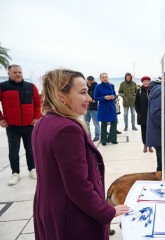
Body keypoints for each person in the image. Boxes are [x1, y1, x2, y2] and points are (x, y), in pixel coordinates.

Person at [32, 69, 129, 240]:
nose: (89, 98)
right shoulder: (67, 129)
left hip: (49, 210)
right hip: (72, 217)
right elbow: (78, 186)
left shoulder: (43, 122)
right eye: (83, 93)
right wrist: (107, 211)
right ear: (61, 95)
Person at [0, 64, 41, 186]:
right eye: (15, 72)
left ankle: (32, 169)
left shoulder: (30, 87)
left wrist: (36, 117)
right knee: (14, 150)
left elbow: (38, 103)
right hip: (12, 125)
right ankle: (15, 173)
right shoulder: (3, 87)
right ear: (9, 74)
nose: (18, 74)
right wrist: (1, 119)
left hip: (29, 124)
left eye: (20, 72)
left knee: (30, 148)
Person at [94, 73, 118, 146]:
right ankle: (103, 140)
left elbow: (115, 95)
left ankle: (112, 139)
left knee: (114, 122)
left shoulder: (112, 85)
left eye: (106, 77)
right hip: (103, 107)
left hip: (111, 106)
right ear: (100, 78)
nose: (105, 78)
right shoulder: (98, 87)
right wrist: (104, 97)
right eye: (103, 77)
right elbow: (95, 98)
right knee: (104, 123)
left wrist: (113, 97)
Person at [135, 76, 153, 153]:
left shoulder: (152, 89)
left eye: (147, 81)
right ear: (142, 82)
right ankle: (145, 145)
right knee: (144, 131)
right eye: (144, 81)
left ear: (149, 82)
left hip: (152, 114)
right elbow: (136, 103)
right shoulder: (139, 91)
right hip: (142, 115)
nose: (146, 82)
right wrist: (139, 112)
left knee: (151, 131)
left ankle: (150, 145)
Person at [84, 75, 100, 142]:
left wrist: (95, 100)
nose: (90, 81)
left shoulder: (96, 87)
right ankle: (88, 136)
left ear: (93, 80)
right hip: (86, 107)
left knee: (96, 123)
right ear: (87, 80)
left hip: (94, 107)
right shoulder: (84, 87)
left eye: (91, 80)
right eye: (89, 80)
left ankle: (97, 136)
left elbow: (98, 96)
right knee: (86, 123)